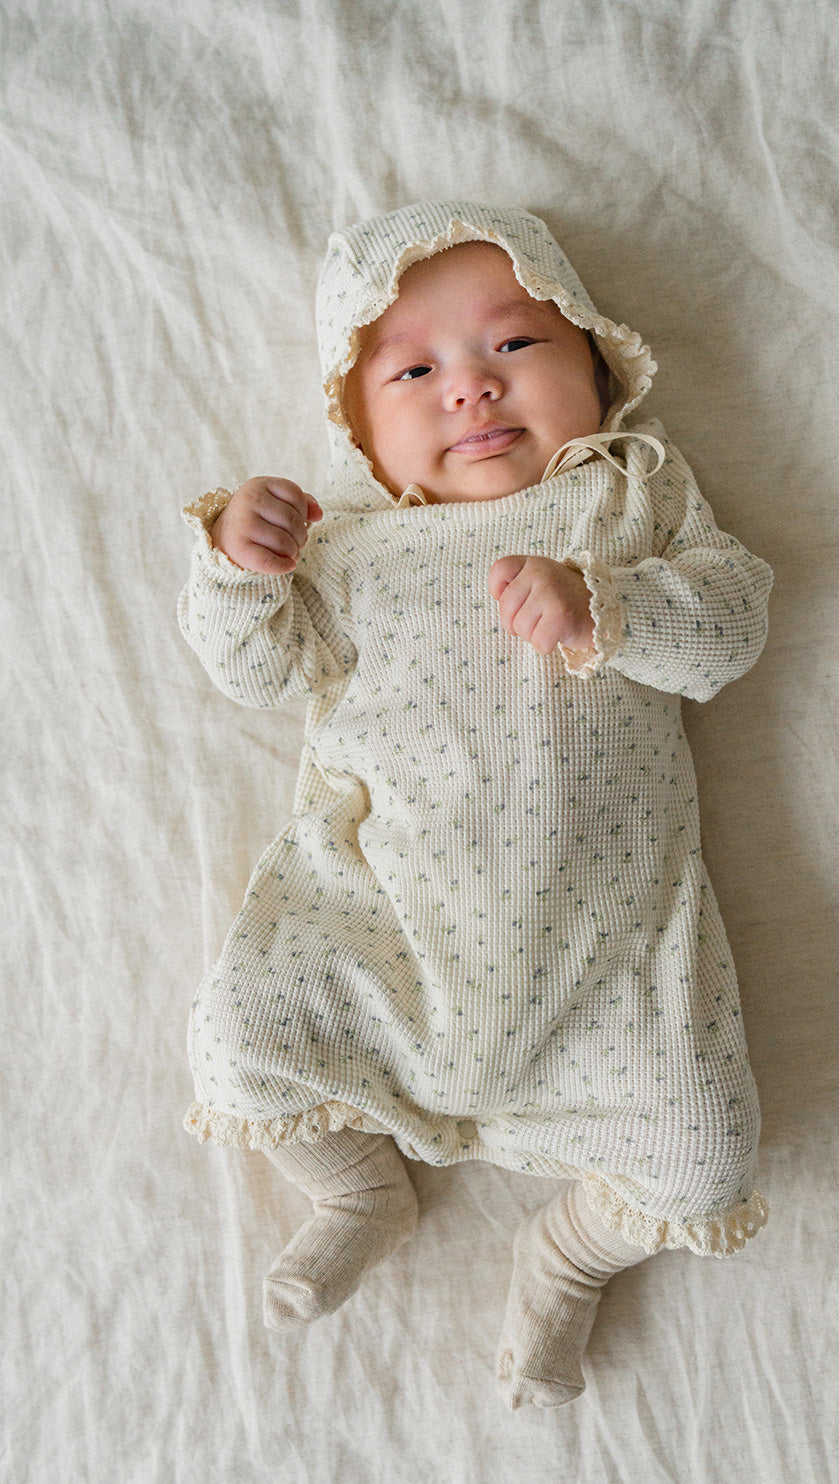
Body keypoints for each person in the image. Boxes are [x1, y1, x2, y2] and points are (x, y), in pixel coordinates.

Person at [178, 200, 774, 1410]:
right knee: (238, 1046)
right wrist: (236, 569)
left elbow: (731, 624)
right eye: (414, 368)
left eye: (514, 346)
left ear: (600, 366)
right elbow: (252, 671)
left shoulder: (625, 499)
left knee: (707, 1153)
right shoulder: (344, 548)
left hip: (610, 962)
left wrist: (611, 606)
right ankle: (357, 1190)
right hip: (378, 936)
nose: (471, 390)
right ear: (357, 422)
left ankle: (567, 1256)